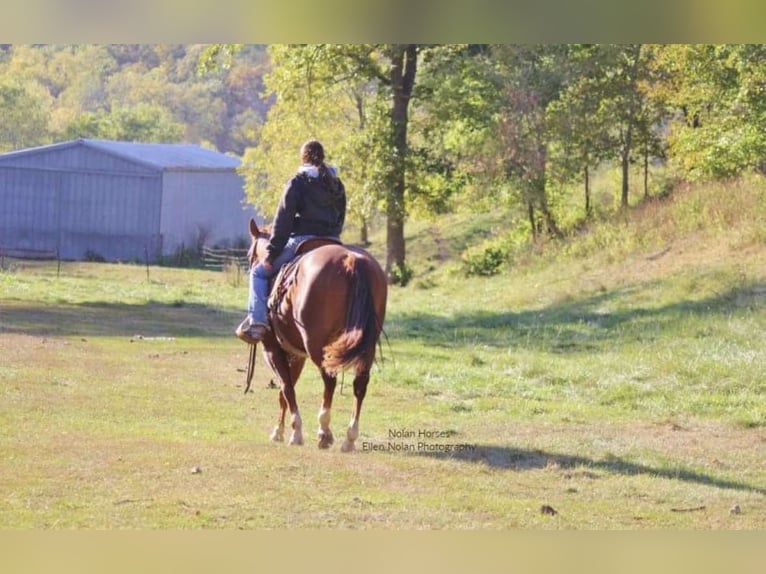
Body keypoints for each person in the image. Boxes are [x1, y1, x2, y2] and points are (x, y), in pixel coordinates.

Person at [236, 139, 347, 344]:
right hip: (333, 242)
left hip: (304, 242)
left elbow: (283, 222)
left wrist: (271, 255)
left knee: (259, 272)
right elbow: (341, 218)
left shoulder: (298, 182)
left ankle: (258, 324)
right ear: (322, 156)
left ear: (303, 157)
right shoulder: (336, 183)